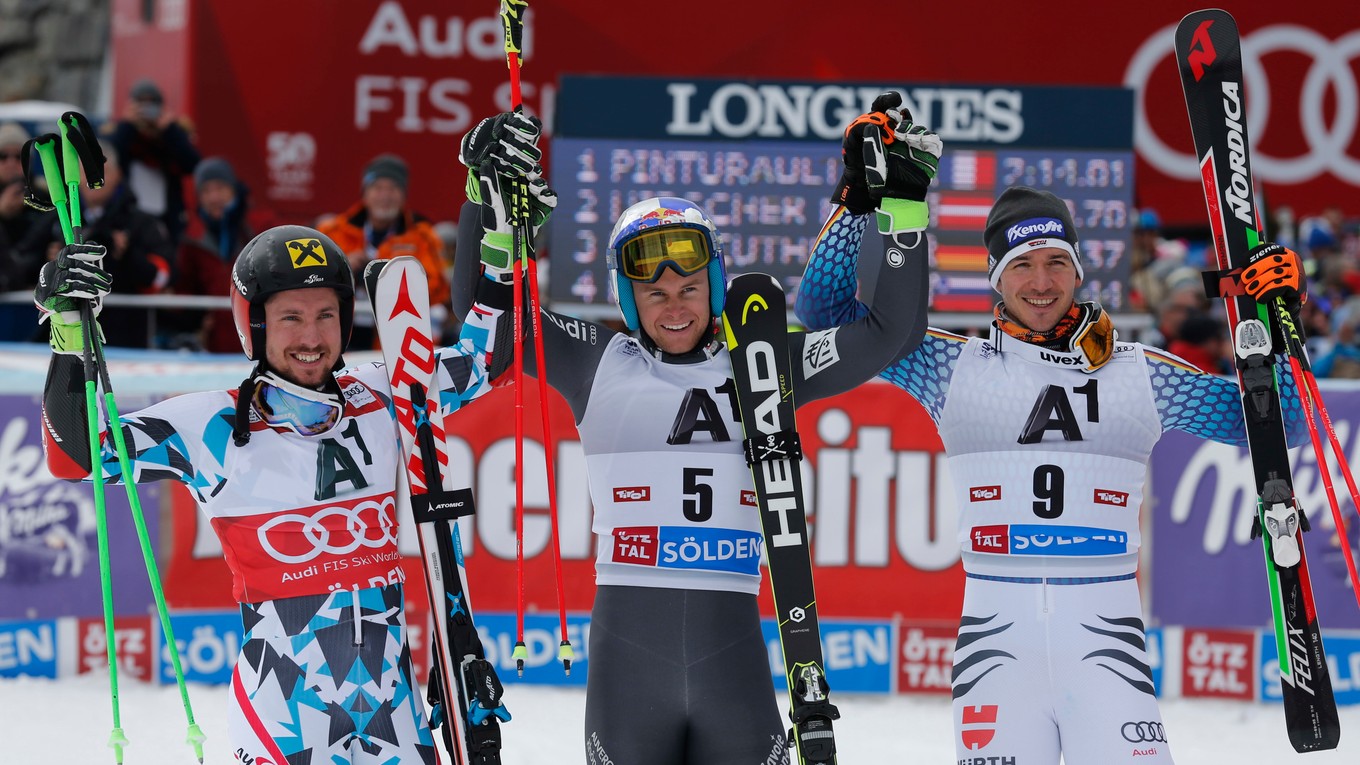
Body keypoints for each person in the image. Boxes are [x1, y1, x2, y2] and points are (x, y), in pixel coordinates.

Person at [796, 107, 1310, 763]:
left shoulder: (1141, 373)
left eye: (1055, 262)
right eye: (1021, 265)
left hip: (1109, 654)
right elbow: (823, 320)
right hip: (993, 652)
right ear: (995, 278)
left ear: (1077, 269)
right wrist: (863, 203)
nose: (1041, 282)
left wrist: (1277, 317)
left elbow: (1278, 423)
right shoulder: (948, 366)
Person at [453, 105, 938, 765]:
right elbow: (485, 322)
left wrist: (904, 206)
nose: (674, 304)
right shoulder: (596, 360)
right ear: (628, 301)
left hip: (730, 663)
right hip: (629, 669)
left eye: (688, 286)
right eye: (654, 294)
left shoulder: (768, 362)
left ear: (714, 283)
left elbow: (890, 334)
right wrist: (485, 199)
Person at [35, 224, 503, 764]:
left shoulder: (387, 390)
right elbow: (78, 457)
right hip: (282, 720)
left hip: (394, 718)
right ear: (253, 325)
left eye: (326, 315)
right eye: (290, 317)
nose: (311, 337)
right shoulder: (209, 426)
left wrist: (496, 227)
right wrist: (70, 331)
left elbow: (486, 362)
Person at [318, 153, 449, 348]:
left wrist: (388, 280)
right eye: (377, 188)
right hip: (339, 331)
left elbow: (439, 290)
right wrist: (342, 267)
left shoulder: (423, 236)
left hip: (395, 339)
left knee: (437, 314)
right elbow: (311, 281)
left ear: (404, 195)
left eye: (393, 188)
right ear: (365, 194)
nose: (385, 196)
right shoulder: (332, 231)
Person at [172, 156, 258, 352]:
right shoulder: (192, 239)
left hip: (262, 338)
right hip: (216, 346)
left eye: (220, 188)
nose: (214, 197)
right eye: (206, 191)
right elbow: (185, 289)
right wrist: (197, 320)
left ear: (233, 189)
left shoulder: (259, 228)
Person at [106, 78, 201, 246]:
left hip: (166, 220)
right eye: (141, 105)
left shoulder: (172, 135)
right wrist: (127, 125)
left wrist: (169, 130)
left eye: (152, 105)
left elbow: (192, 164)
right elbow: (110, 158)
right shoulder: (123, 134)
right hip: (128, 215)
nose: (147, 110)